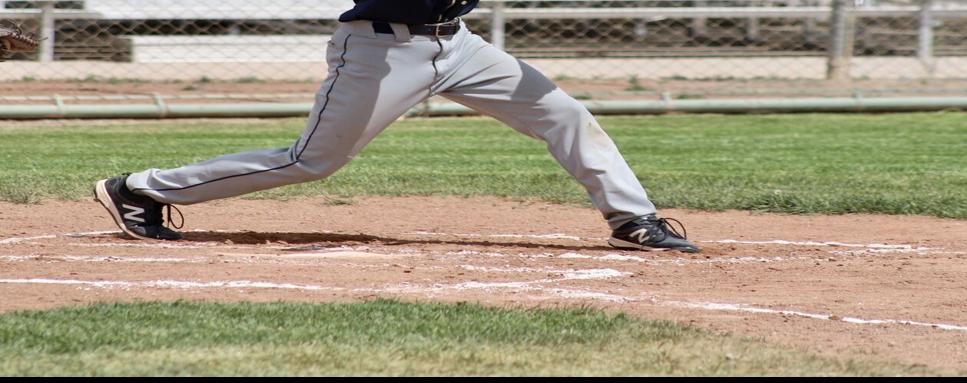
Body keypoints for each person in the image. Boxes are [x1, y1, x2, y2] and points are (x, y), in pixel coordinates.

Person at [92, 0, 698, 253]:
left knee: (563, 112)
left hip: (457, 44)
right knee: (312, 161)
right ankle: (141, 188)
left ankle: (630, 218)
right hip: (381, 52)